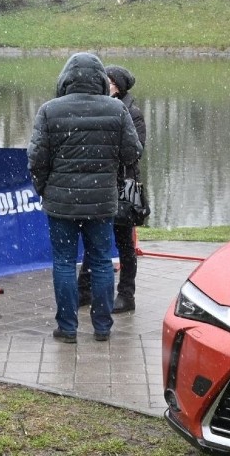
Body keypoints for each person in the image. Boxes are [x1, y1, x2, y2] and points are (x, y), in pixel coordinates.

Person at [27, 53, 142, 344]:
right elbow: (132, 153)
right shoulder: (117, 110)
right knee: (102, 262)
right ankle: (102, 328)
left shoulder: (50, 110)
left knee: (64, 262)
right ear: (101, 80)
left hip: (60, 202)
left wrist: (44, 188)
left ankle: (67, 328)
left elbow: (37, 158)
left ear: (65, 78)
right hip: (102, 203)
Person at [78, 65, 147, 313]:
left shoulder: (133, 113)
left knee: (124, 243)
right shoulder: (98, 107)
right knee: (95, 237)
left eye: (107, 81)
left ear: (117, 85)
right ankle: (83, 290)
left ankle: (126, 294)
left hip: (122, 188)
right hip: (100, 183)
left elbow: (135, 151)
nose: (102, 84)